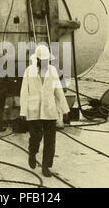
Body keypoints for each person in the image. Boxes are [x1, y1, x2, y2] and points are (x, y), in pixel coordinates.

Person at [20, 45, 70, 177]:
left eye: (47, 60)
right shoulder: (29, 71)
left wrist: (65, 109)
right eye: (42, 60)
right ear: (37, 59)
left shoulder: (53, 71)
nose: (45, 63)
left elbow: (58, 90)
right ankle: (32, 153)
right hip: (34, 109)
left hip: (49, 110)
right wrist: (23, 111)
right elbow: (24, 92)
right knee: (35, 137)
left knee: (50, 140)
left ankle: (46, 166)